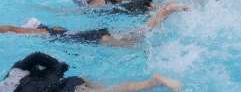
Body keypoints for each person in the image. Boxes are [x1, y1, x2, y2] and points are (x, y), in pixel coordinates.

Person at [0, 2, 189, 48]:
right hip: (93, 33)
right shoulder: (57, 30)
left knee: (139, 38)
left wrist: (10, 30)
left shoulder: (44, 33)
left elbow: (11, 29)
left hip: (94, 37)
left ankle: (167, 11)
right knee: (137, 39)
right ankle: (166, 11)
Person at [0, 52, 181, 91]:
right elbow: (36, 57)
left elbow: (35, 56)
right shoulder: (14, 75)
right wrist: (59, 68)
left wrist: (57, 67)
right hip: (71, 82)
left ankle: (154, 82)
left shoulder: (14, 78)